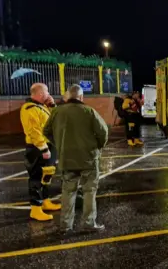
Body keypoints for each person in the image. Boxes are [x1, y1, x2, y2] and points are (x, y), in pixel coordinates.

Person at [43, 84, 108, 233]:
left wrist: (59, 144)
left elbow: (46, 130)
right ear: (81, 97)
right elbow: (103, 132)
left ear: (68, 96)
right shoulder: (88, 111)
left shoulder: (57, 112)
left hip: (67, 158)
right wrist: (98, 147)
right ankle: (89, 223)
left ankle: (65, 226)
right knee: (89, 191)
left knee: (68, 191)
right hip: (89, 158)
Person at [20, 83, 62, 221]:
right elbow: (34, 131)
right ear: (40, 94)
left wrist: (52, 106)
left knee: (47, 176)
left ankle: (45, 201)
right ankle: (36, 209)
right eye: (46, 92)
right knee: (36, 178)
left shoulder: (42, 106)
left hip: (49, 146)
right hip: (38, 149)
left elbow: (55, 121)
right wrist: (43, 148)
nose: (49, 94)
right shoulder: (29, 109)